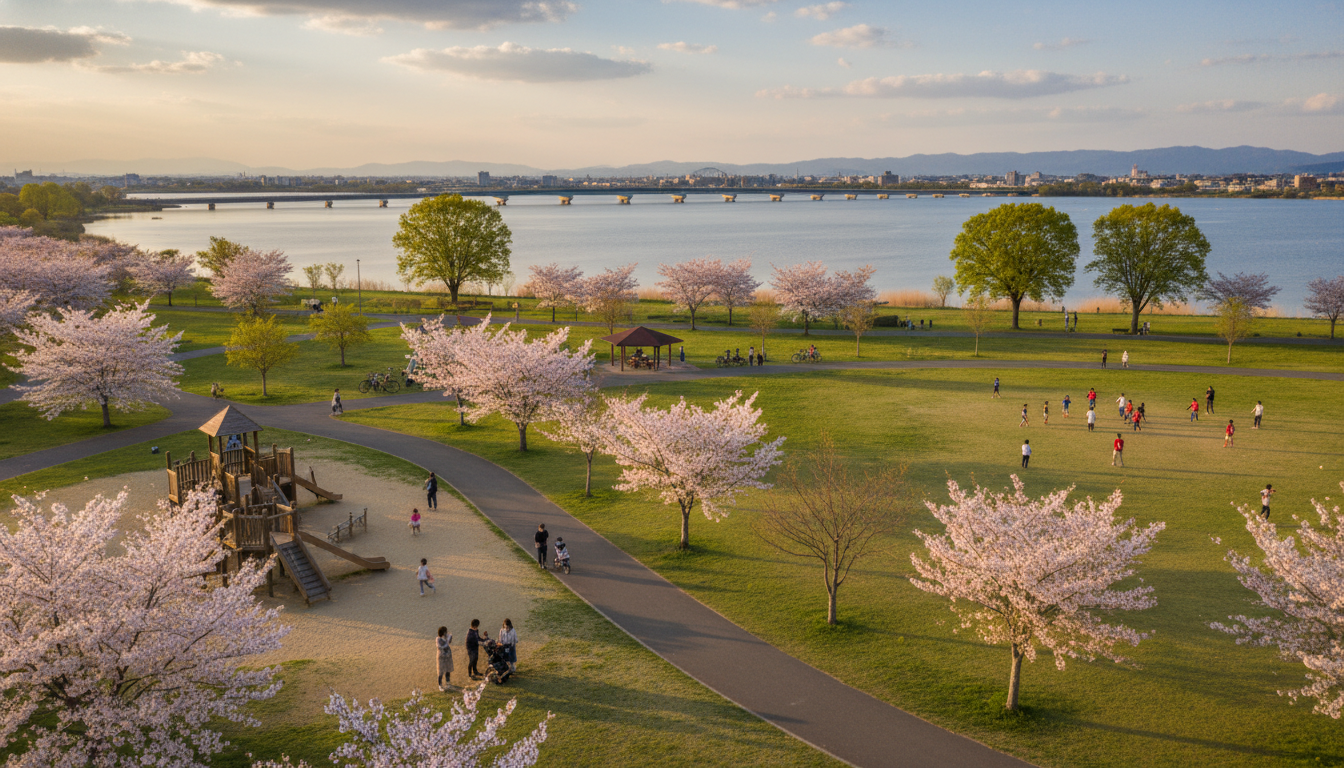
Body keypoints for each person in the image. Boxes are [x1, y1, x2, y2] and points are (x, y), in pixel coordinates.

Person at [436, 627, 454, 691]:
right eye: (445, 632)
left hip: (448, 657)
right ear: (443, 633)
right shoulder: (438, 639)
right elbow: (444, 646)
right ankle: (440, 685)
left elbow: (450, 641)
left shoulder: (445, 638)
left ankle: (448, 682)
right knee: (441, 672)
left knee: (448, 670)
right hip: (441, 658)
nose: (446, 633)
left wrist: (449, 637)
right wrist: (448, 639)